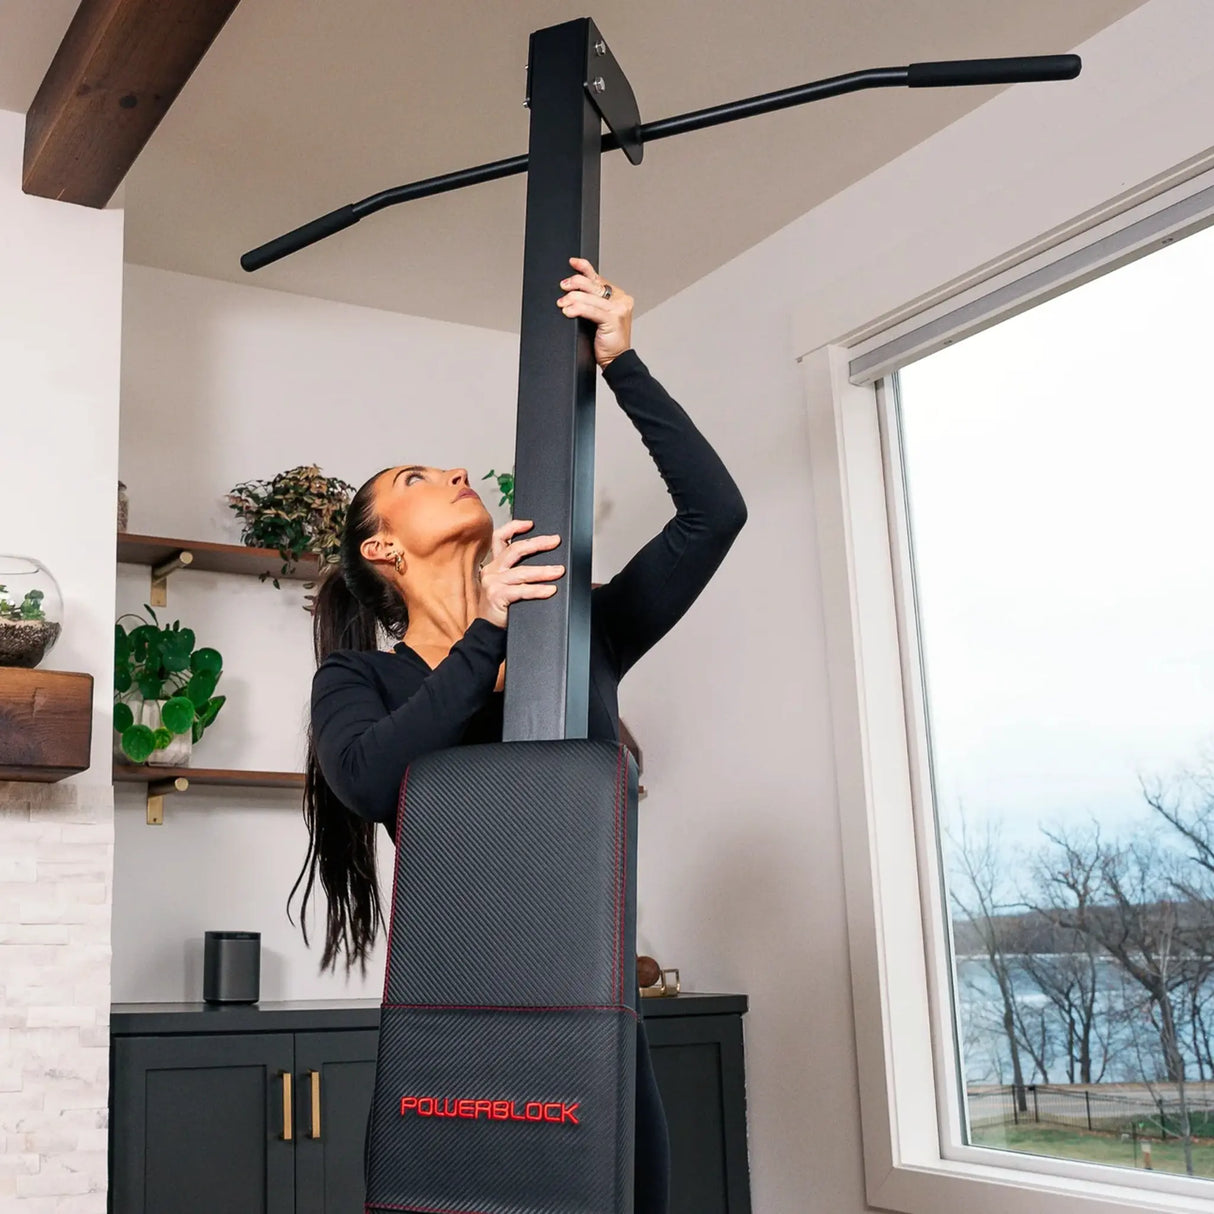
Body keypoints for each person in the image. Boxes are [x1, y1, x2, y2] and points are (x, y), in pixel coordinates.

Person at [293, 256, 747, 1213]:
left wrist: (624, 364)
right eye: (417, 478)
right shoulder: (360, 679)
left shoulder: (580, 637)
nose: (455, 471)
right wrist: (490, 627)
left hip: (593, 1020)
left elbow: (715, 516)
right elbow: (374, 780)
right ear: (384, 547)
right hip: (451, 1027)